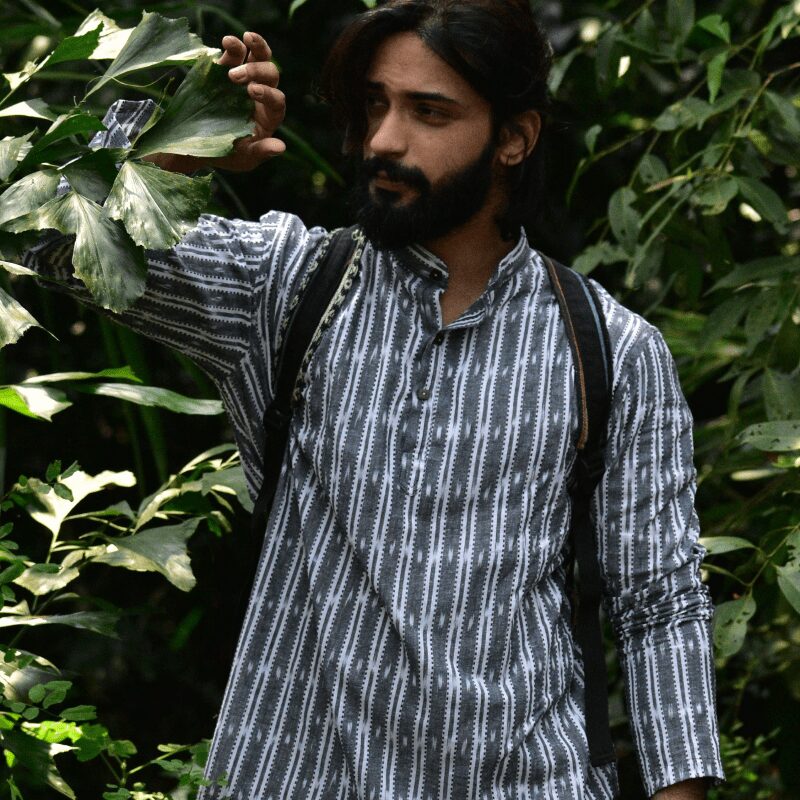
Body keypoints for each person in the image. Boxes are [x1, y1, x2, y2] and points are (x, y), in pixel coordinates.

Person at [27, 1, 725, 797]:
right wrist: (179, 137)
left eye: (429, 112)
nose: (385, 140)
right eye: (375, 105)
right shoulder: (285, 289)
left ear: (514, 138)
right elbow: (41, 234)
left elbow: (660, 604)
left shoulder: (611, 351)